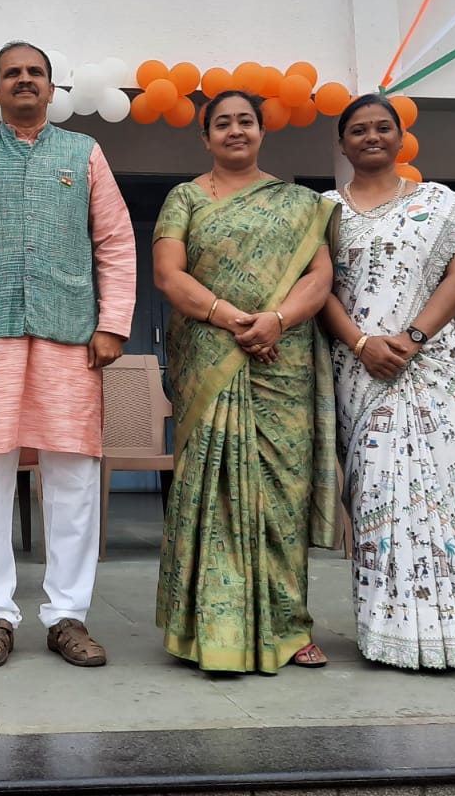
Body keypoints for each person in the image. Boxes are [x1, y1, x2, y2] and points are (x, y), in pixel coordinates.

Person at [0, 41, 135, 670]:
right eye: (11, 74)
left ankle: (68, 615)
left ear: (51, 89)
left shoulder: (85, 153)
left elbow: (116, 242)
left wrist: (113, 324)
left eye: (34, 73)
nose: (24, 80)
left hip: (70, 341)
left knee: (72, 481)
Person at [318, 94, 455, 671]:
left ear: (401, 137)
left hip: (428, 368)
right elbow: (318, 288)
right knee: (374, 493)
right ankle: (386, 633)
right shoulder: (323, 211)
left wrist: (412, 339)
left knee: (440, 493)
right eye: (358, 130)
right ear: (342, 143)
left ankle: (449, 628)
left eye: (383, 127)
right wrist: (363, 344)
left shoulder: (443, 205)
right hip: (360, 371)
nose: (371, 137)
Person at [150, 90, 338, 674]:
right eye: (223, 124)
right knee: (212, 491)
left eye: (246, 121)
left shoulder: (300, 202)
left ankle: (290, 626)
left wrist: (277, 319)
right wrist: (233, 319)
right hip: (211, 355)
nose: (235, 131)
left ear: (262, 131)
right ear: (205, 136)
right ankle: (210, 629)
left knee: (283, 493)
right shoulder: (184, 198)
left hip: (283, 360)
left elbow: (320, 276)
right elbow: (168, 274)